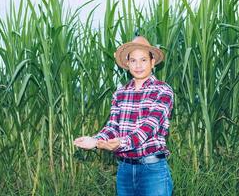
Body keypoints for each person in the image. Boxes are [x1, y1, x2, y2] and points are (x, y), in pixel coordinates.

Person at [74, 36, 174, 196]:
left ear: (152, 62)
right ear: (127, 63)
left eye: (143, 60)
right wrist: (95, 140)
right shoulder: (120, 93)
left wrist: (120, 143)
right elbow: (113, 127)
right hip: (125, 170)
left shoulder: (162, 90)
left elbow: (148, 129)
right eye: (133, 60)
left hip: (153, 170)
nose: (138, 65)